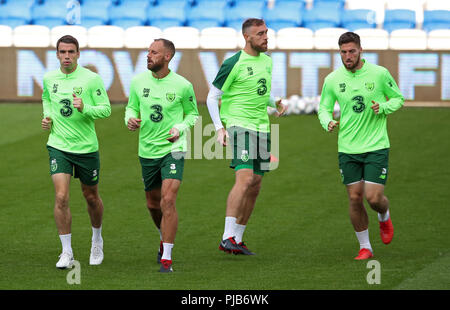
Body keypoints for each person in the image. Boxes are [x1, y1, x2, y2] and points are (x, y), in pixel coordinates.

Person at [318, 32, 403, 260]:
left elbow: (398, 98)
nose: (347, 56)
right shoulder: (333, 80)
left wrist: (383, 107)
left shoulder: (379, 73)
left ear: (360, 50)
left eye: (352, 51)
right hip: (347, 148)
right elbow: (324, 107)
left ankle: (384, 216)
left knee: (373, 198)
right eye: (343, 52)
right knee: (355, 198)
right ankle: (365, 246)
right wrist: (327, 121)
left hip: (376, 145)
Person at [206, 18, 286, 255]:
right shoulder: (234, 62)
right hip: (239, 125)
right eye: (260, 34)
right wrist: (220, 128)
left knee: (256, 184)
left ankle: (237, 239)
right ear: (247, 37)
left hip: (262, 127)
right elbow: (212, 97)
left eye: (266, 32)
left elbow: (259, 92)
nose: (266, 37)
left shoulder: (267, 62)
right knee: (245, 179)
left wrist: (275, 102)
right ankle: (226, 236)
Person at [125, 38, 199, 273]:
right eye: (148, 51)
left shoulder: (183, 85)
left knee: (168, 200)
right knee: (153, 204)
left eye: (154, 52)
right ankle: (163, 235)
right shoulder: (138, 82)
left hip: (173, 150)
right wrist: (129, 119)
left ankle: (166, 257)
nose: (148, 55)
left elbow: (193, 114)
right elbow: (131, 107)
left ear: (167, 57)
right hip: (147, 149)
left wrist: (180, 129)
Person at [41, 35, 111, 268]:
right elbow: (47, 99)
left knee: (91, 197)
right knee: (61, 197)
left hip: (86, 148)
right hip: (58, 145)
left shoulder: (92, 79)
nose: (67, 56)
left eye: (71, 52)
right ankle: (66, 252)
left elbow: (106, 110)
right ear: (57, 54)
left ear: (78, 54)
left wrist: (86, 107)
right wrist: (48, 116)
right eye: (62, 52)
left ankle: (97, 239)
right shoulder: (50, 78)